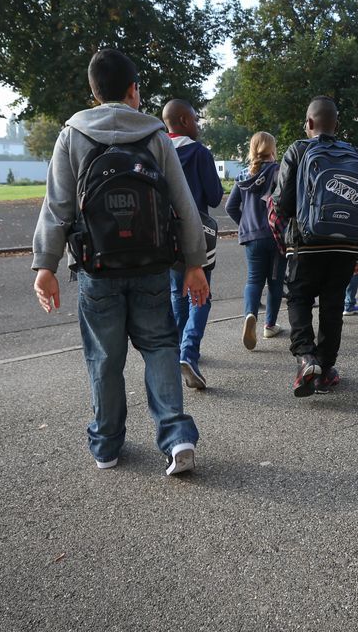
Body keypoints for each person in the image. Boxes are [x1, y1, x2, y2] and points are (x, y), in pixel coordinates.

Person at [31, 48, 210, 475]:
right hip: (151, 265)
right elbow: (183, 204)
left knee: (104, 357)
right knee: (162, 348)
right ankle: (176, 435)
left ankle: (107, 445)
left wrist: (46, 265)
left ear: (93, 92)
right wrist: (194, 263)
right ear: (134, 90)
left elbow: (57, 207)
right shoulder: (154, 135)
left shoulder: (73, 134)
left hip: (98, 268)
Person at [271, 97, 358, 396]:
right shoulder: (356, 154)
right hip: (346, 245)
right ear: (336, 124)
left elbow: (282, 202)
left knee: (299, 298)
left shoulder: (299, 150)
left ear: (310, 123)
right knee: (333, 304)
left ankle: (306, 357)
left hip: (307, 242)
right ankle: (325, 370)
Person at [162, 99, 224, 391]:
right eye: (196, 119)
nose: (199, 125)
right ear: (185, 120)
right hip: (197, 234)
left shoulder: (156, 150)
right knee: (201, 294)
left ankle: (176, 351)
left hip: (164, 234)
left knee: (177, 291)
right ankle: (189, 351)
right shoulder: (199, 152)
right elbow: (213, 196)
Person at [225, 131, 286, 350]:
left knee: (253, 280)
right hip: (276, 236)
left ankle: (250, 314)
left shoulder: (243, 175)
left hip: (252, 236)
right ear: (272, 148)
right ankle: (269, 325)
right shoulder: (279, 172)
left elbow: (230, 207)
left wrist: (245, 224)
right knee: (275, 282)